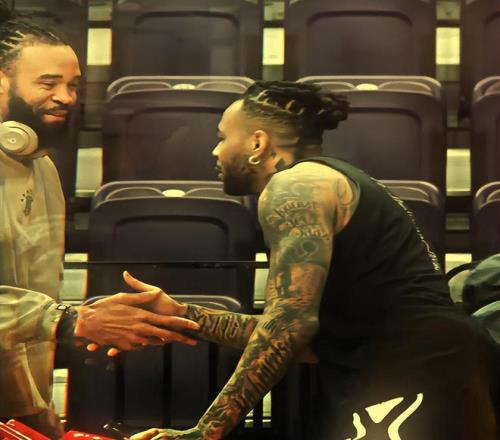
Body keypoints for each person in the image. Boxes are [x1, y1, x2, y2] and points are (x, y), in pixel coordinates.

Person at [129, 81, 500, 440]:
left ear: (257, 142)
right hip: (422, 365)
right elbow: (299, 334)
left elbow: (289, 325)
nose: (215, 151)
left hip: (421, 370)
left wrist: (206, 431)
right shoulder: (326, 181)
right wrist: (182, 315)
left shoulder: (295, 187)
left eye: (222, 137)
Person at [0, 4, 199, 438]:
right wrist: (67, 320)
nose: (67, 97)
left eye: (73, 85)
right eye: (48, 83)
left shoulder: (42, 167)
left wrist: (33, 406)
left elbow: (34, 296)